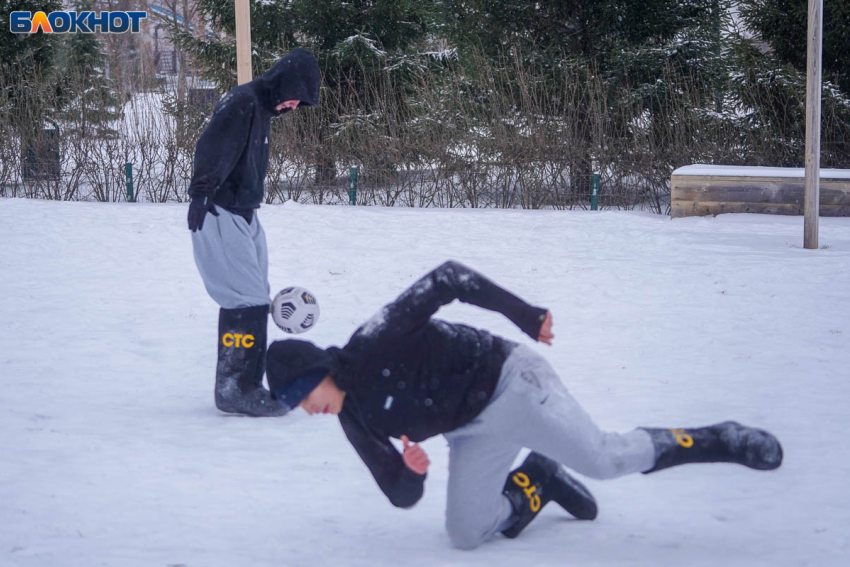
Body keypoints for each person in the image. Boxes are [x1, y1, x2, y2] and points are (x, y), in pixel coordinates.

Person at [265, 261, 783, 550]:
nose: (305, 408)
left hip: (511, 380)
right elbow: (399, 494)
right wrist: (412, 470)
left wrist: (524, 314)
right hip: (472, 431)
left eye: (302, 396)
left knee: (604, 459)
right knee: (466, 534)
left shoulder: (377, 340)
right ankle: (539, 481)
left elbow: (447, 278)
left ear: (320, 372)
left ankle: (722, 438)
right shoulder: (354, 418)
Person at [186, 48, 320, 417]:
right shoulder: (242, 102)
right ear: (285, 83)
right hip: (218, 209)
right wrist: (201, 192)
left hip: (243, 212)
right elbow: (211, 148)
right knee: (244, 299)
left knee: (255, 296)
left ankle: (245, 383)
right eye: (297, 98)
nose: (294, 107)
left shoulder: (260, 108)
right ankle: (236, 388)